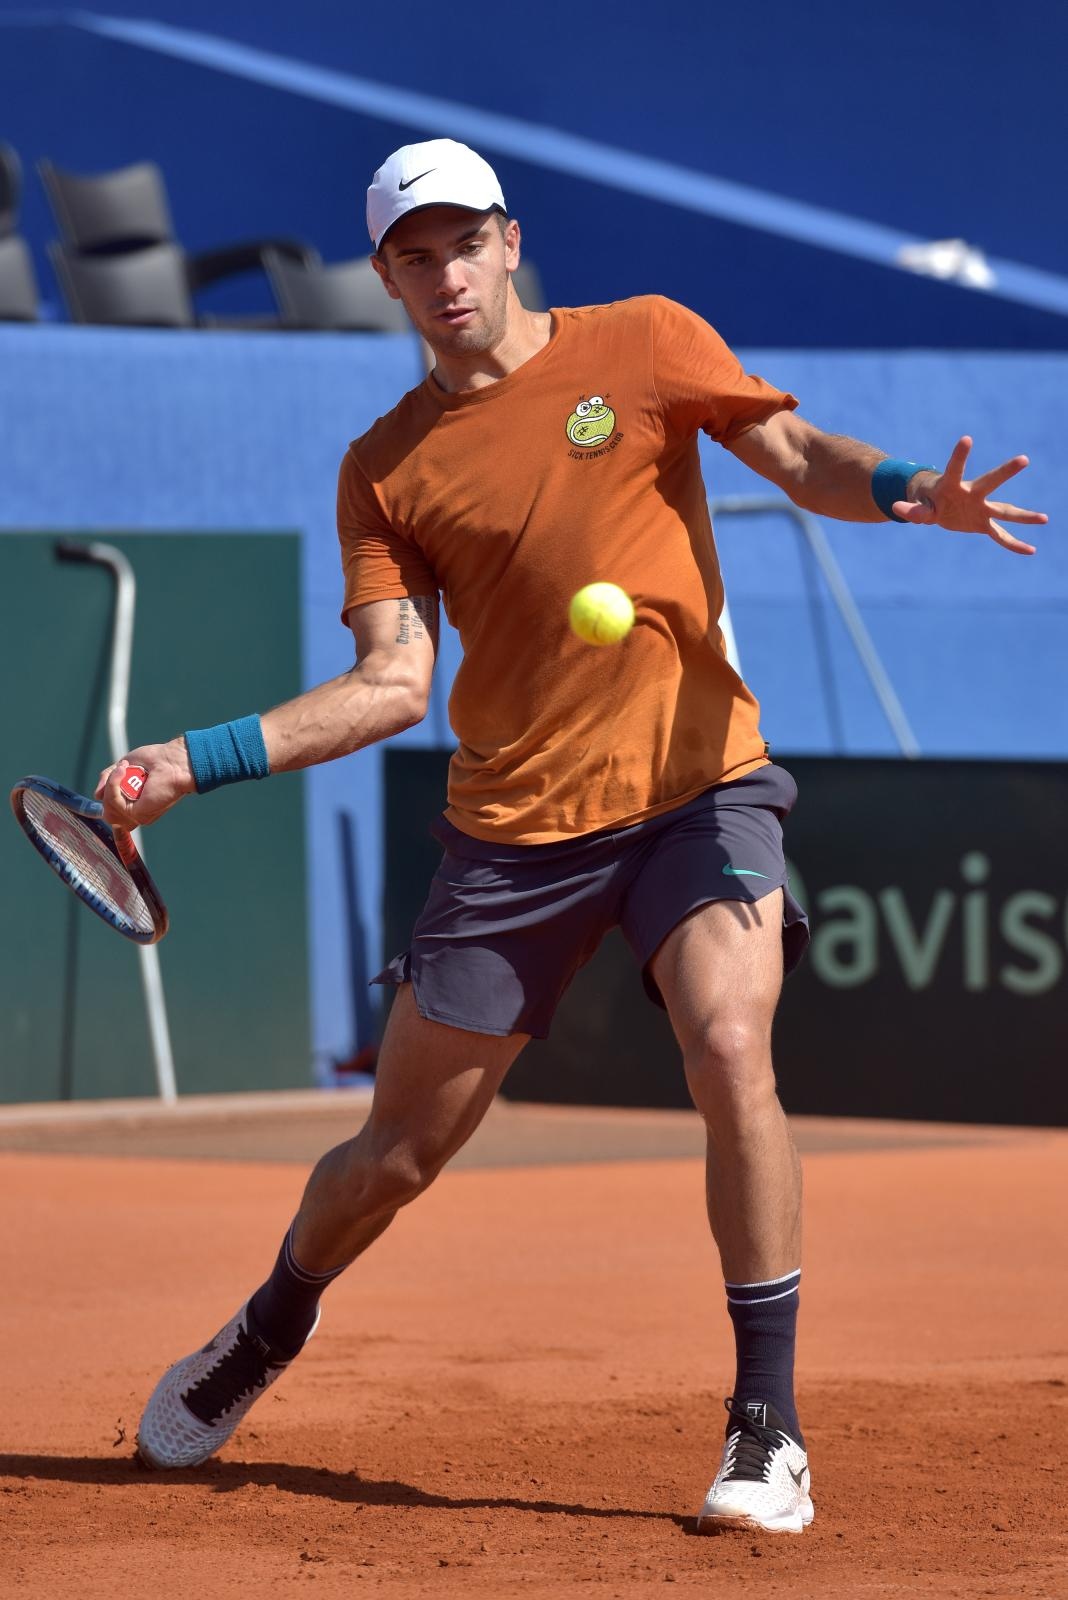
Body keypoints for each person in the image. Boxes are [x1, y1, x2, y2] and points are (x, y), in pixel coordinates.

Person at [98, 138, 1046, 1534]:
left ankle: (767, 1425)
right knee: (398, 1158)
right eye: (414, 256)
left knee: (729, 1041)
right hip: (514, 834)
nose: (445, 274)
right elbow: (390, 683)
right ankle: (264, 1329)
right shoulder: (386, 468)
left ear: (509, 239)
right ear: (387, 278)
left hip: (698, 790)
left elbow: (796, 458)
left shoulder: (648, 344)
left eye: (464, 242)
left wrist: (911, 488)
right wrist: (198, 759)